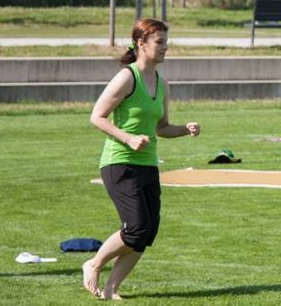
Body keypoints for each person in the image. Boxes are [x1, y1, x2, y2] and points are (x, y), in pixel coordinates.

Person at [83, 18, 201, 300]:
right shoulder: (127, 77)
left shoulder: (162, 84)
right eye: (159, 42)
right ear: (141, 44)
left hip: (148, 165)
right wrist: (128, 138)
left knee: (147, 232)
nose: (165, 47)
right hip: (119, 163)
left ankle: (111, 288)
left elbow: (162, 127)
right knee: (136, 228)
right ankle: (94, 264)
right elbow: (97, 117)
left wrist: (185, 129)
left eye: (166, 42)